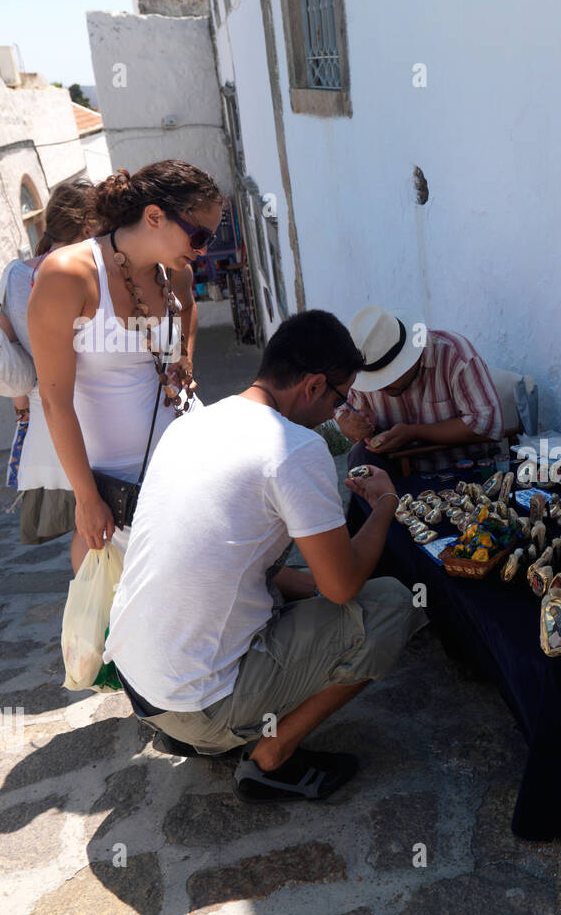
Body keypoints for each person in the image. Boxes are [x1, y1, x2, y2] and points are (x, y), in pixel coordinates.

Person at [104, 310, 428, 803]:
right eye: (340, 398)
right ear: (315, 385)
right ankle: (270, 759)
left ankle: (202, 727)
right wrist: (384, 503)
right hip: (198, 705)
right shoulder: (294, 447)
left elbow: (227, 562)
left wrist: (318, 584)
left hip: (144, 689)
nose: (336, 412)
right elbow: (343, 588)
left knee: (303, 584)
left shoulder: (191, 426)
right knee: (388, 604)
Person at [27, 160, 220, 573]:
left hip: (189, 454)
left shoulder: (177, 272)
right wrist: (86, 498)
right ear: (154, 217)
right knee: (114, 614)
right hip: (119, 481)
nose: (203, 249)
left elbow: (188, 310)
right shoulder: (68, 275)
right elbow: (53, 400)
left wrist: (184, 356)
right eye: (200, 235)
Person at [3, 178, 95, 544]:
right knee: (104, 514)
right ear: (88, 225)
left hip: (44, 411)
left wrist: (22, 410)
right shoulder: (81, 271)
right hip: (91, 405)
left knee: (83, 518)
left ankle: (94, 595)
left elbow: (9, 344)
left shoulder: (15, 274)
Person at [337, 305, 505, 474]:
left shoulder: (453, 354)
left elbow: (486, 422)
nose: (381, 388)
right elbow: (341, 413)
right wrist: (352, 425)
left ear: (411, 356)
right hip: (399, 471)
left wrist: (415, 433)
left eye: (389, 377)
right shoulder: (363, 362)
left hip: (463, 469)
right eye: (375, 381)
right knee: (359, 456)